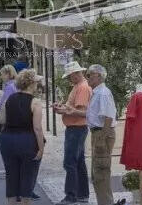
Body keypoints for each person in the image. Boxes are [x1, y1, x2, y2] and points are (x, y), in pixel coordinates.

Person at [0, 69, 45, 205]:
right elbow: (37, 128)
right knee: (27, 177)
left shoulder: (9, 98)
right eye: (36, 82)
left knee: (11, 176)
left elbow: (2, 120)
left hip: (7, 139)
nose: (37, 84)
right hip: (27, 139)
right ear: (31, 84)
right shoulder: (35, 102)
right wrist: (41, 148)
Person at [53, 61, 92, 205]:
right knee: (79, 162)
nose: (69, 79)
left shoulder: (82, 88)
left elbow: (80, 112)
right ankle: (82, 194)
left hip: (76, 128)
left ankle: (71, 195)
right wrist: (62, 108)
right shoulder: (79, 86)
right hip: (76, 128)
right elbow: (73, 109)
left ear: (76, 74)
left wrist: (62, 110)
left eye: (70, 76)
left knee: (70, 162)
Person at [84, 65, 117, 205]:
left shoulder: (102, 93)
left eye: (89, 74)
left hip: (102, 133)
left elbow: (108, 117)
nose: (87, 77)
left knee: (101, 174)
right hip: (98, 132)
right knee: (98, 175)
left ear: (98, 75)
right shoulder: (97, 92)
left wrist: (101, 139)